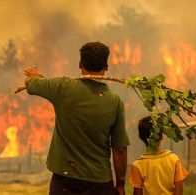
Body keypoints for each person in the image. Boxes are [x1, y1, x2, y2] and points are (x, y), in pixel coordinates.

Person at [23, 41, 130, 195]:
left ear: (80, 64)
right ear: (106, 66)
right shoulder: (115, 101)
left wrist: (36, 77)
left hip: (64, 181)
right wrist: (120, 185)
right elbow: (119, 149)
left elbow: (30, 83)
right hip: (99, 183)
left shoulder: (62, 87)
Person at [129, 116, 189, 195]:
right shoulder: (174, 159)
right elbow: (179, 189)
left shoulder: (137, 166)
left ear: (140, 137)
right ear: (161, 136)